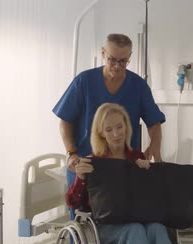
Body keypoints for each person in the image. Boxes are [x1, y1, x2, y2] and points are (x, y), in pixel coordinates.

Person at [65, 103, 193, 244]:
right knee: (135, 230)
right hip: (105, 227)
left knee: (157, 229)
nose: (116, 134)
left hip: (138, 221)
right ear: (101, 133)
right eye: (109, 129)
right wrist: (80, 178)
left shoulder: (136, 158)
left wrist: (147, 173)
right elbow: (72, 202)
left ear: (126, 126)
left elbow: (152, 199)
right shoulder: (93, 162)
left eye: (119, 127)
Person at [52, 33, 166, 190]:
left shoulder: (138, 86)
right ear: (103, 53)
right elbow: (65, 120)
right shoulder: (84, 82)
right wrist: (71, 153)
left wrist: (155, 145)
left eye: (123, 61)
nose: (117, 66)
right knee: (82, 210)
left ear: (129, 57)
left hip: (124, 169)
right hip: (86, 167)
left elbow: (154, 122)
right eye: (112, 59)